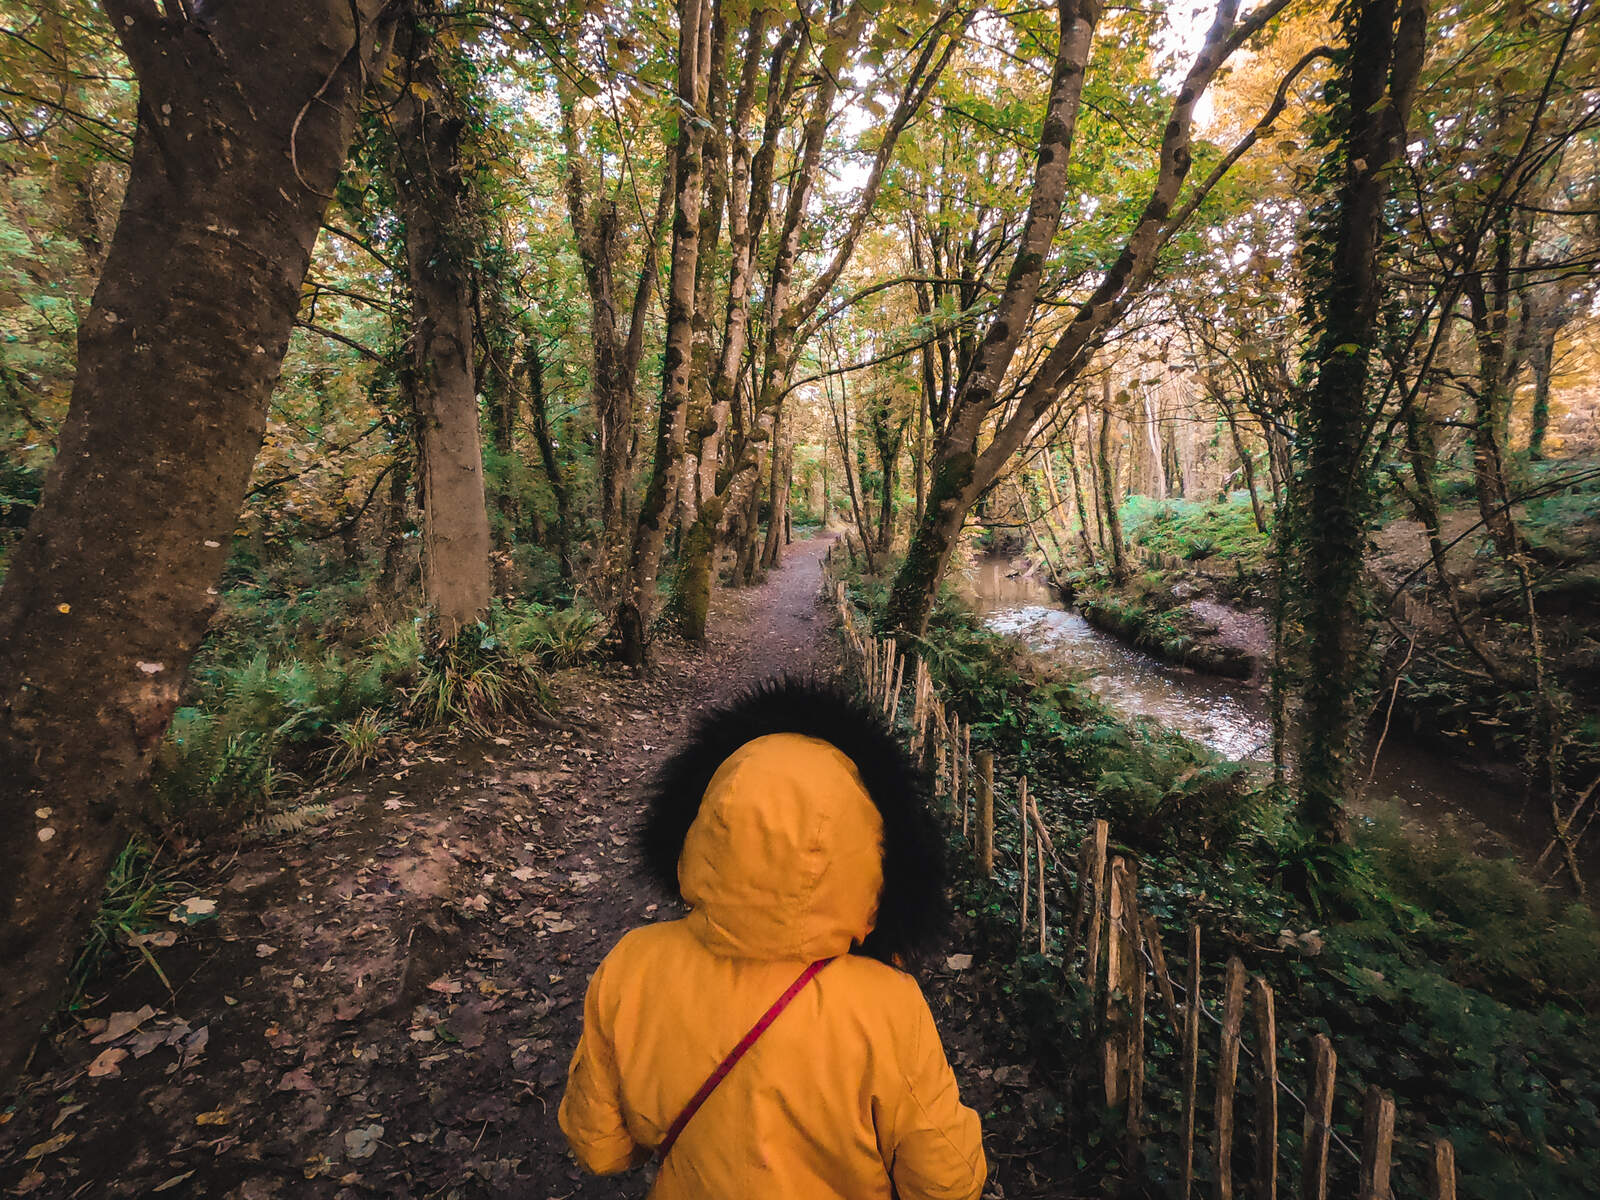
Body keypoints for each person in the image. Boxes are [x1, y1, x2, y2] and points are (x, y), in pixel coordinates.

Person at [559, 676, 986, 1199]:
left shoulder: (632, 966)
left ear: (703, 826)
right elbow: (947, 1182)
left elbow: (600, 1146)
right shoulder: (889, 1010)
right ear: (870, 852)